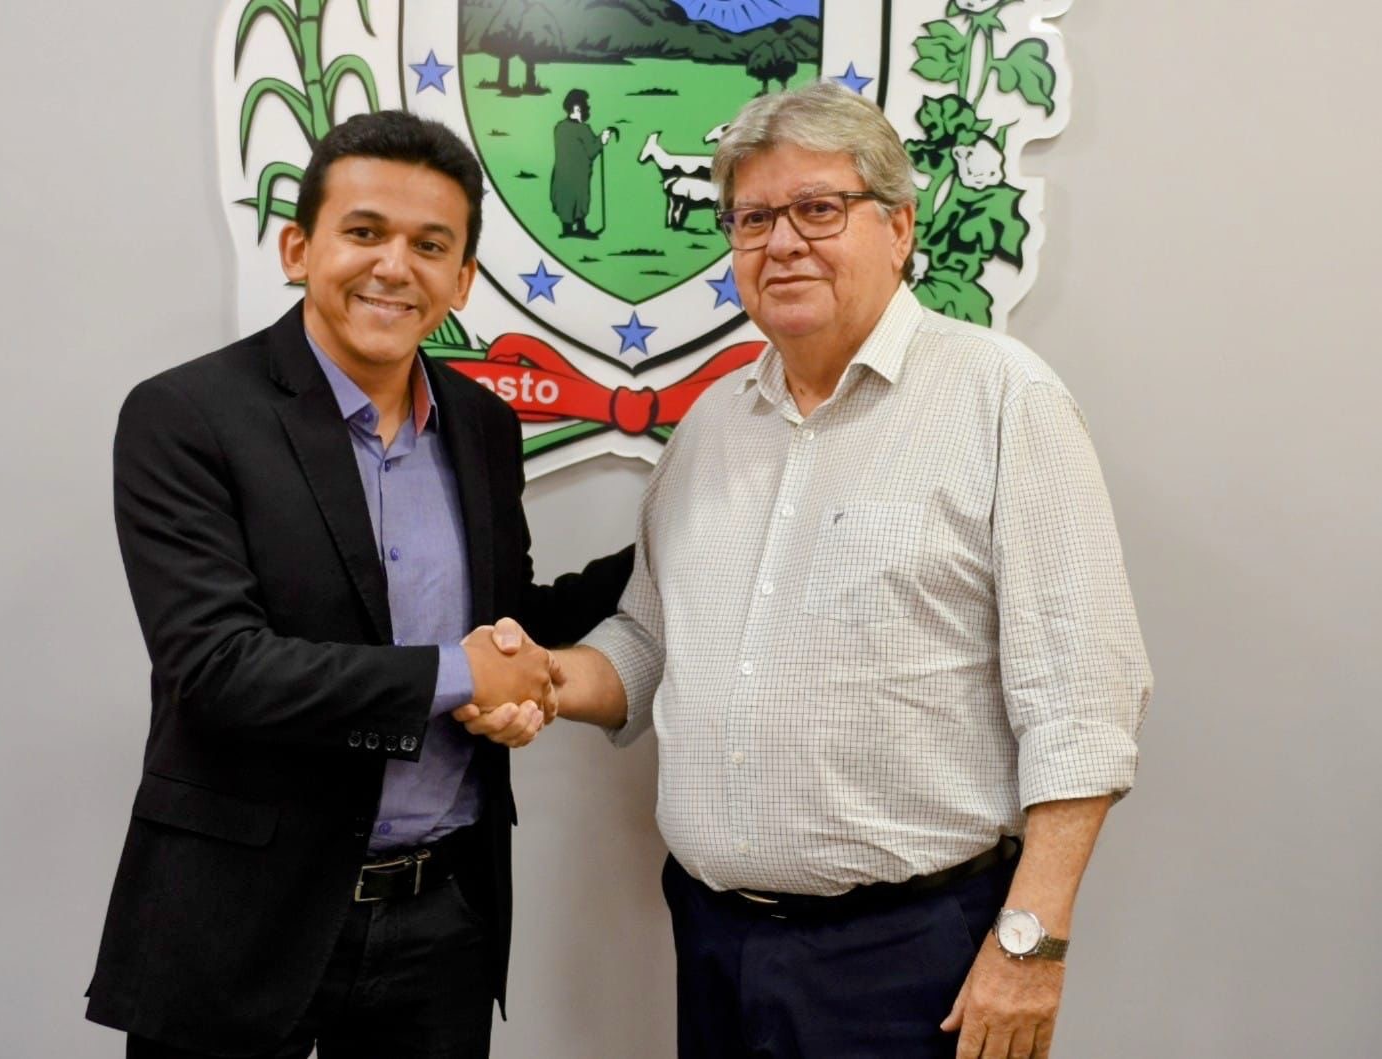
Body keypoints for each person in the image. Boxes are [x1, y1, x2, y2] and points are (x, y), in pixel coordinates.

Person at [466, 81, 1152, 1058]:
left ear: (898, 227)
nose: (780, 242)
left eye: (817, 209)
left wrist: (1029, 945)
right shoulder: (712, 426)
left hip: (910, 959)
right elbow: (650, 637)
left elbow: (1084, 700)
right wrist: (542, 678)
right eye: (752, 219)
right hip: (713, 940)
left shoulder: (1003, 400)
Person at [85, 110, 630, 1058]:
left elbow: (506, 622)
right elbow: (217, 669)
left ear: (462, 280)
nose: (394, 267)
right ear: (299, 249)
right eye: (365, 232)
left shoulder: (481, 423)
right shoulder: (185, 415)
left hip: (443, 919)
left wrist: (671, 546)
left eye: (430, 245)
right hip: (242, 920)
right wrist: (463, 675)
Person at [550, 88, 613, 238]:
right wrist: (602, 140)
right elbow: (591, 151)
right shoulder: (583, 129)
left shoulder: (559, 127)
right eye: (585, 106)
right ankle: (580, 228)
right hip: (578, 176)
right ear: (577, 108)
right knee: (579, 200)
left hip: (561, 175)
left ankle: (568, 229)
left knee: (565, 201)